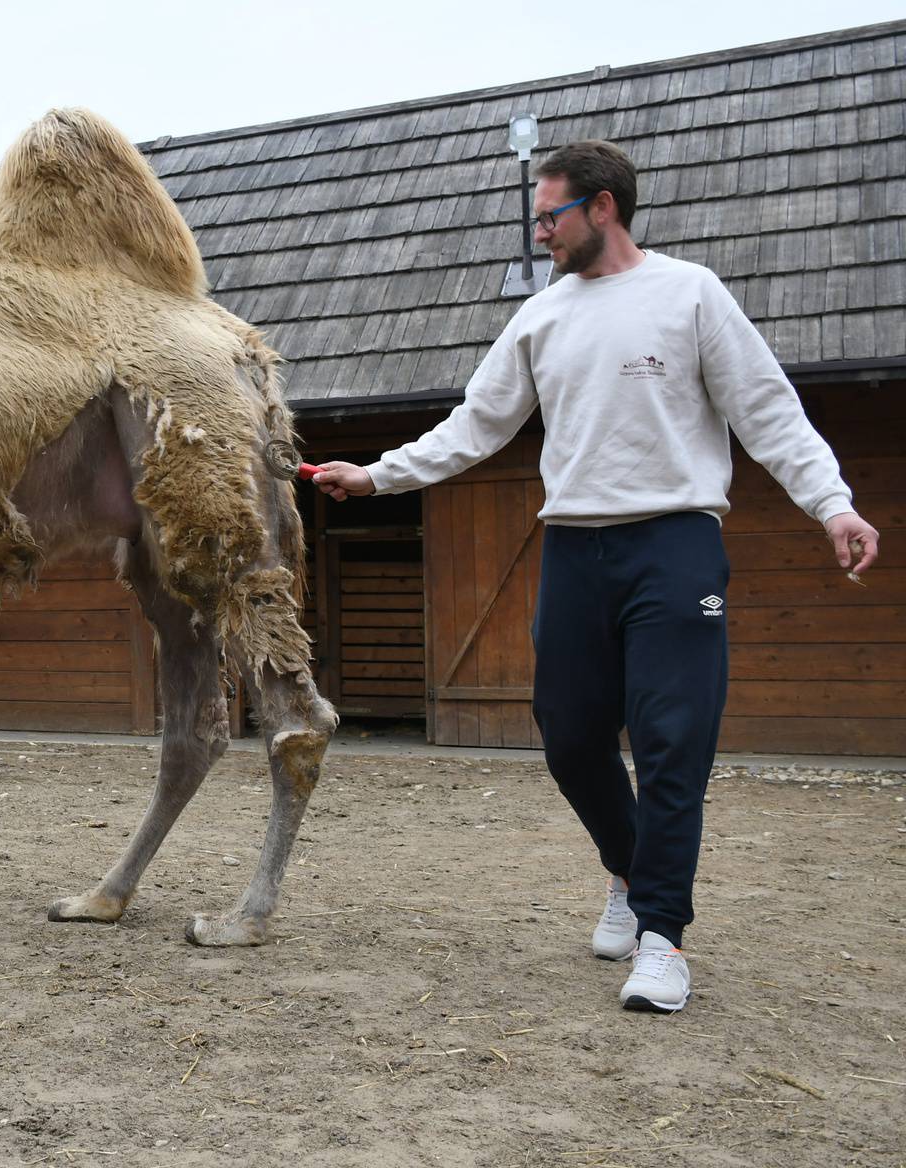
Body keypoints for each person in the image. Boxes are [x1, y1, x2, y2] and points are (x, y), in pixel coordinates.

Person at [313, 140, 880, 1014]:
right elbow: (478, 423)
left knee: (670, 743)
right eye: (537, 217)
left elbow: (767, 410)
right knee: (570, 736)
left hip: (676, 542)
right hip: (576, 549)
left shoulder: (689, 293)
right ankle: (626, 870)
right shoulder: (542, 317)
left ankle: (662, 937)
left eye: (550, 215)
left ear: (603, 207)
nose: (540, 231)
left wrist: (832, 504)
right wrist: (376, 474)